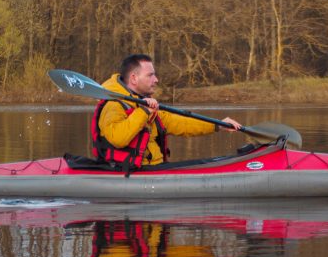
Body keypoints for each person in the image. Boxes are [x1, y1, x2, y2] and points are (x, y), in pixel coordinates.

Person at [92, 54, 242, 171]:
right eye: (150, 75)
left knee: (207, 162)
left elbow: (181, 123)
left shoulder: (143, 103)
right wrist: (144, 112)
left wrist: (217, 125)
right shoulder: (113, 105)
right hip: (131, 171)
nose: (156, 79)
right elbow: (117, 138)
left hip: (154, 168)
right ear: (134, 78)